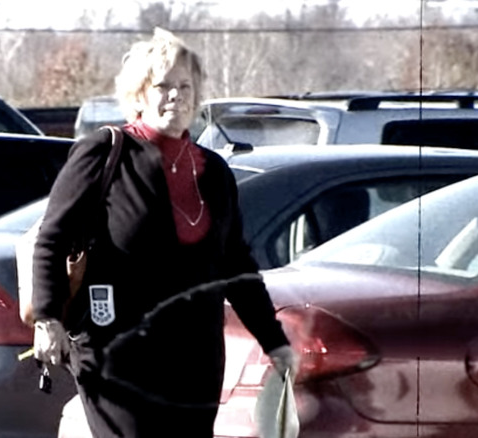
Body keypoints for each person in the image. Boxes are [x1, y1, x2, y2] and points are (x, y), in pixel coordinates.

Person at [30, 28, 297, 438]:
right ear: (140, 94)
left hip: (195, 359)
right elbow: (52, 237)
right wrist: (47, 318)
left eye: (185, 86)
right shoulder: (104, 152)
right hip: (116, 351)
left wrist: (273, 341)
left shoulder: (214, 172)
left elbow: (236, 265)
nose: (176, 95)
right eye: (163, 86)